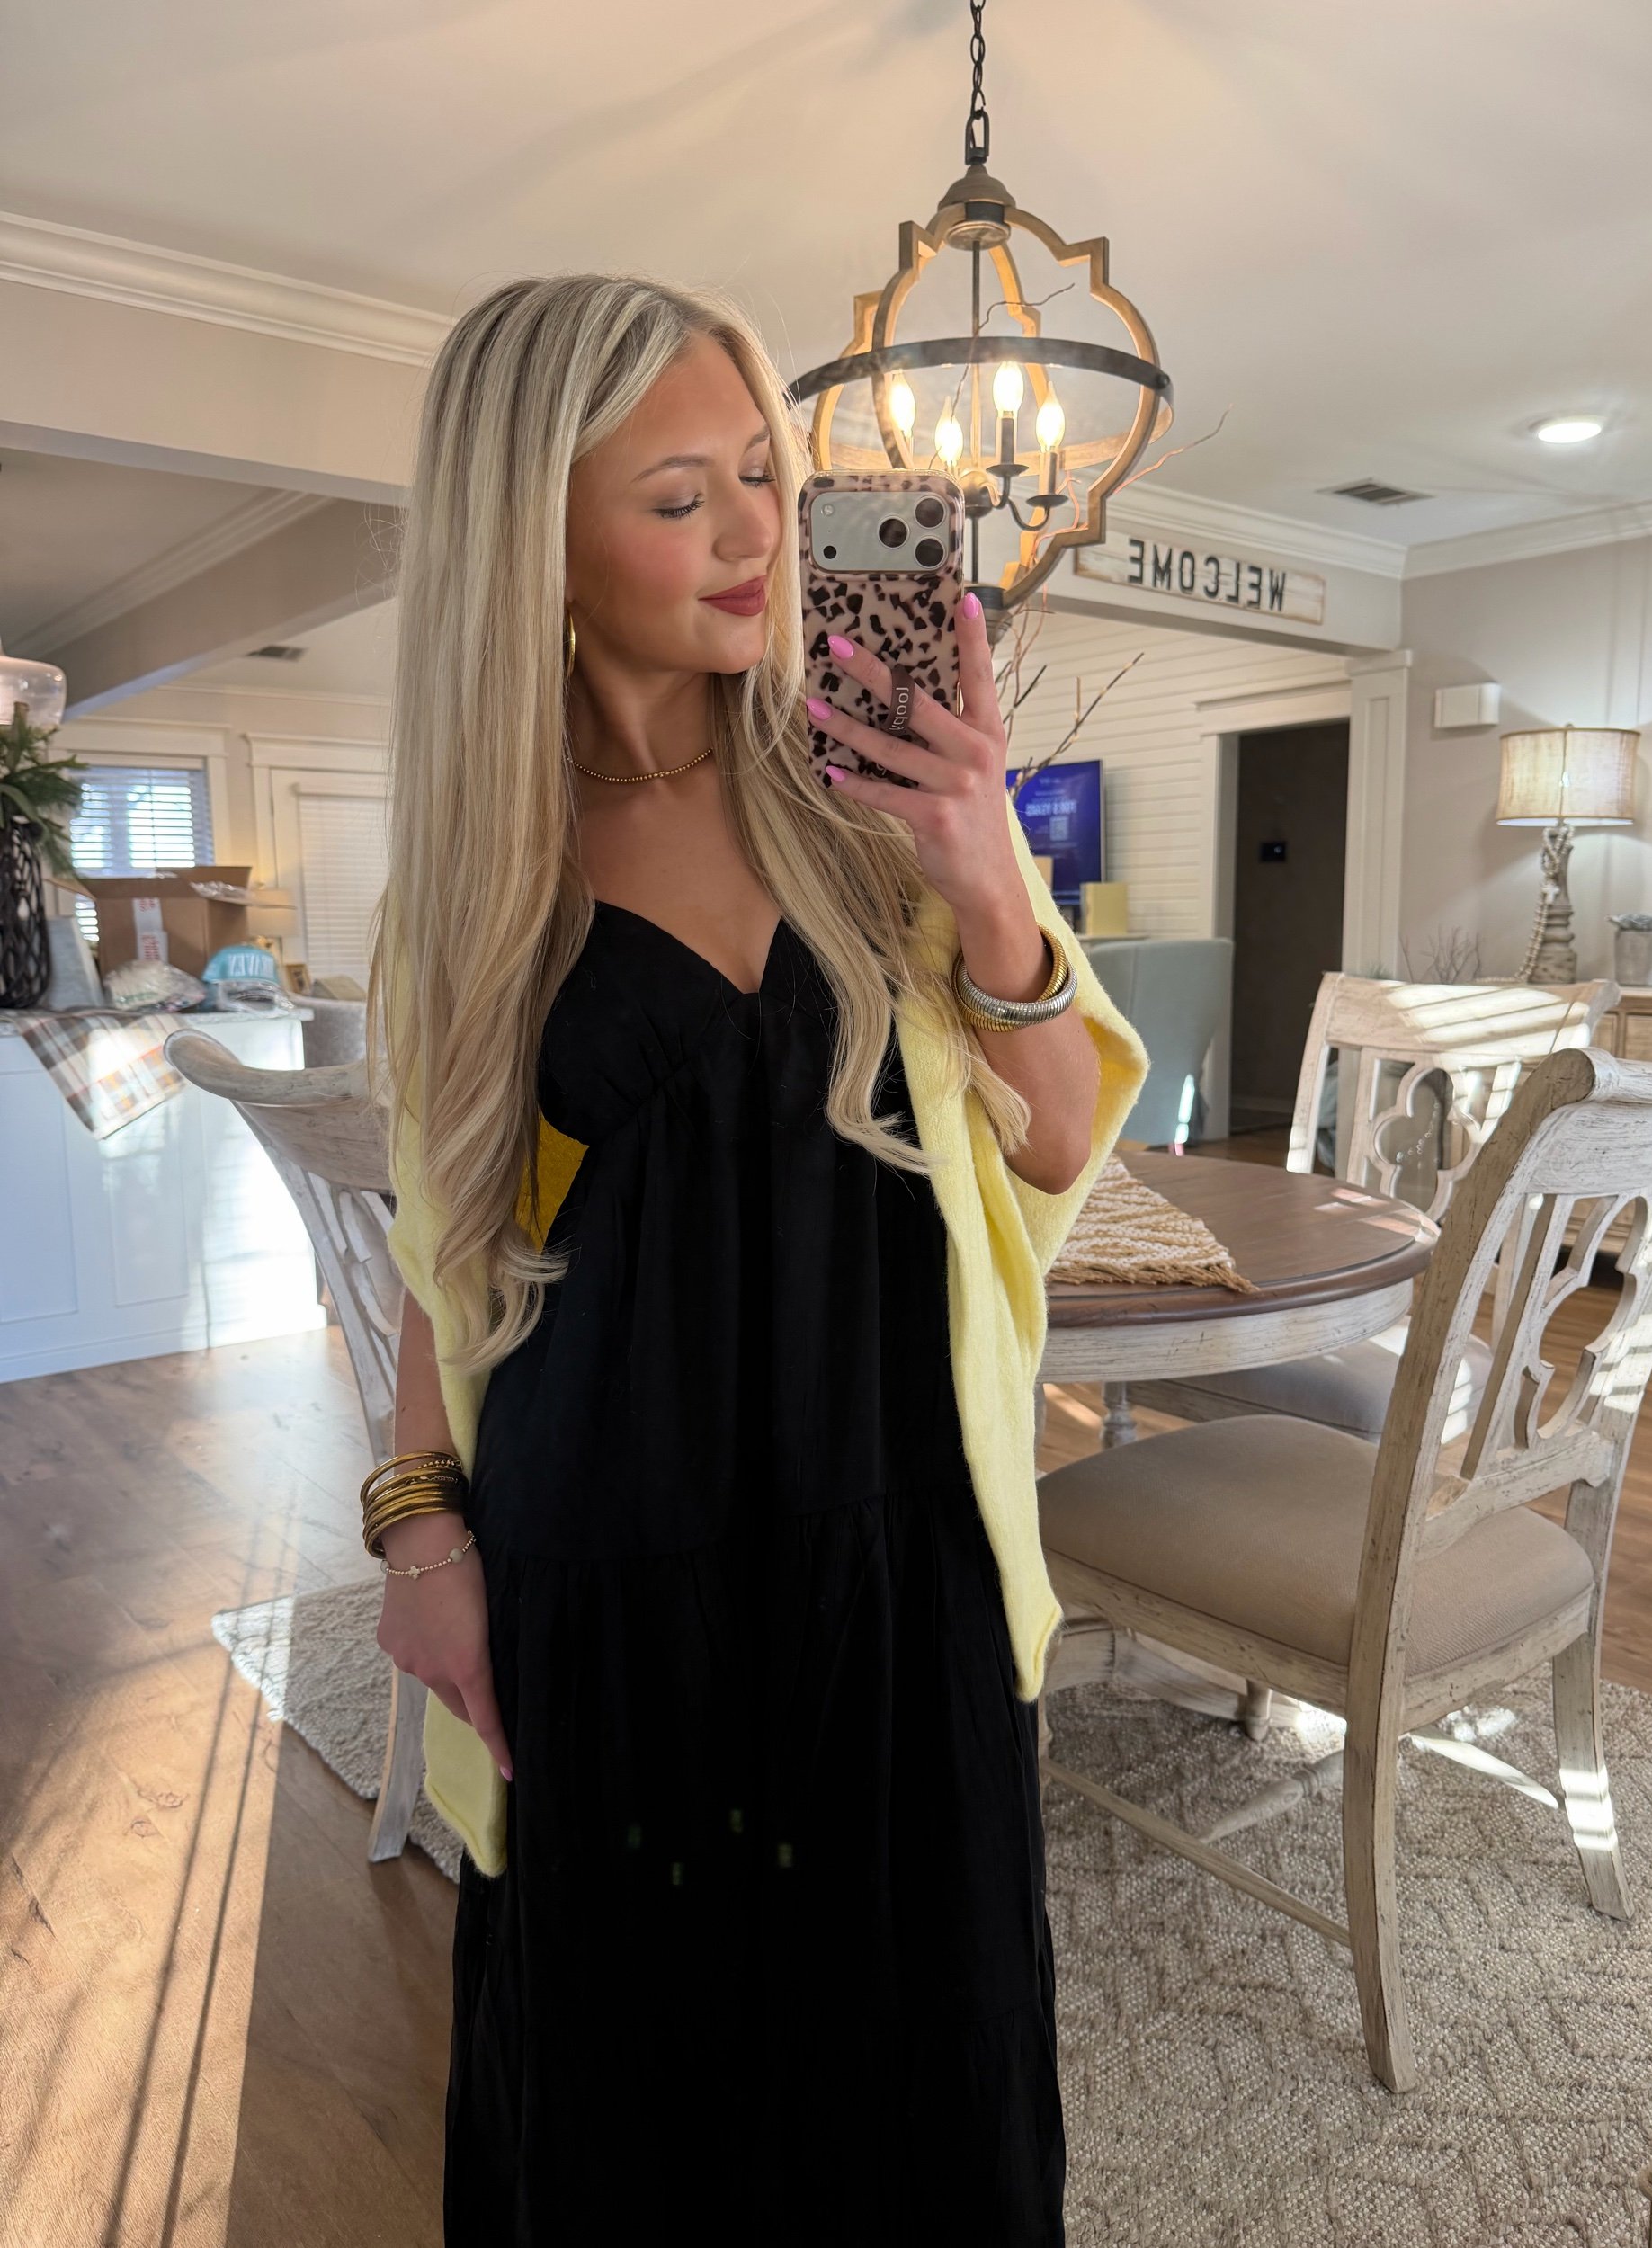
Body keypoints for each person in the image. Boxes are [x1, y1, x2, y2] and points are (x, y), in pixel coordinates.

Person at [364, 272, 1145, 2246]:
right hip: (605, 1594)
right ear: (532, 540)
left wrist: (986, 873)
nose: (753, 534)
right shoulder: (479, 876)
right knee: (638, 2123)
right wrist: (419, 1537)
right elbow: (446, 1248)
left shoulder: (862, 807)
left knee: (927, 2104)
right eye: (676, 494)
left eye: (765, 477)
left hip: (901, 1564)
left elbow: (1059, 1137)